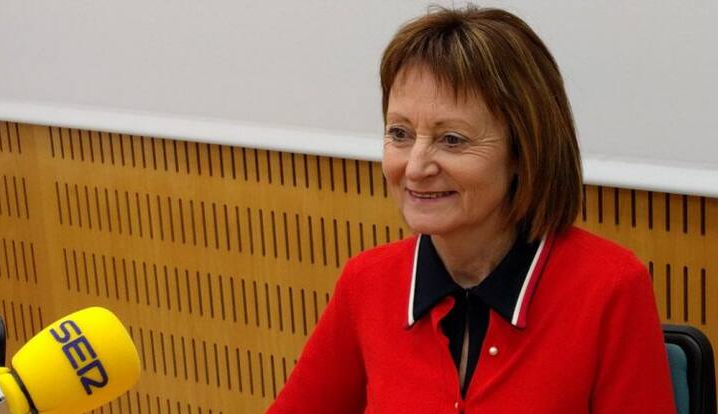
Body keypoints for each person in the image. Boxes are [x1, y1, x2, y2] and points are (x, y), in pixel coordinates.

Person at [267, 5, 675, 414]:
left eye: (452, 139)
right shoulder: (367, 282)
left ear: (523, 151)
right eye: (400, 133)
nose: (415, 167)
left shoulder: (610, 288)